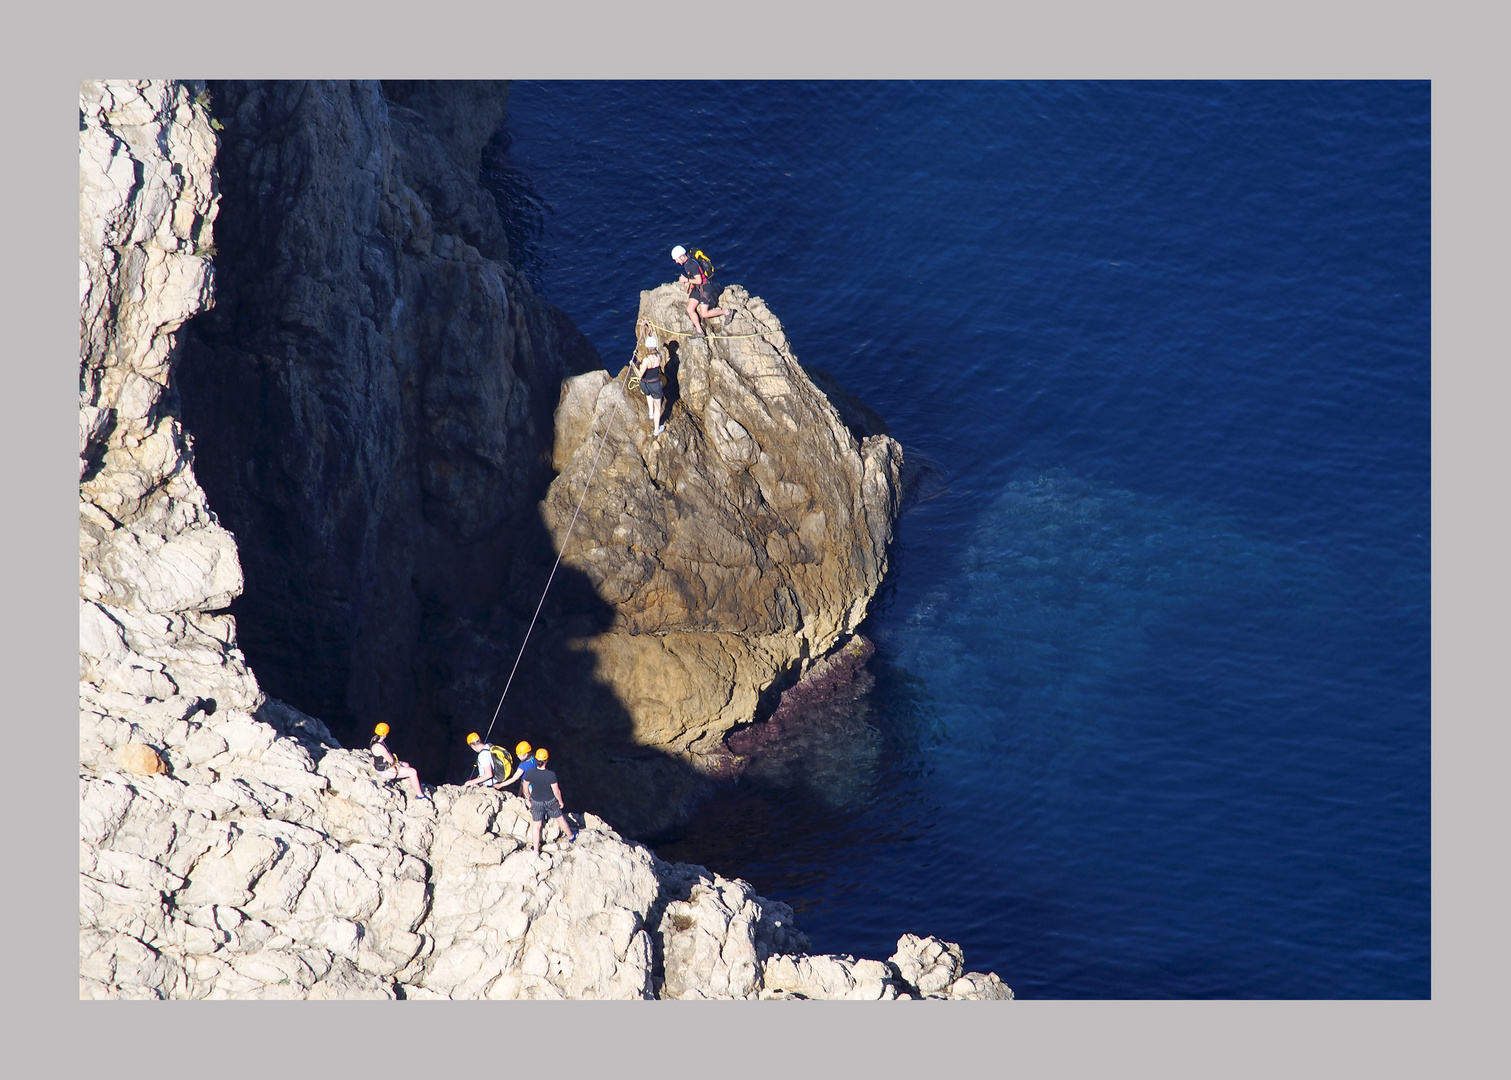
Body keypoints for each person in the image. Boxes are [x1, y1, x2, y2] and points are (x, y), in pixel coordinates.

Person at [671, 245, 736, 337]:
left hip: (705, 288)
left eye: (676, 259)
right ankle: (700, 331)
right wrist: (690, 284)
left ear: (682, 257)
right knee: (690, 309)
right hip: (697, 288)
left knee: (704, 314)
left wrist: (686, 280)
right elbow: (693, 277)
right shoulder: (686, 264)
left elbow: (699, 280)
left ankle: (727, 312)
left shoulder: (692, 265)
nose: (676, 261)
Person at [522, 747, 576, 853]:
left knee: (536, 826)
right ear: (546, 760)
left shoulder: (530, 773)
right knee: (560, 819)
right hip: (550, 801)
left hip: (536, 801)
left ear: (536, 760)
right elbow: (556, 792)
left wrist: (529, 797)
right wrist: (560, 801)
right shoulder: (551, 775)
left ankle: (536, 849)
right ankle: (571, 836)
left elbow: (525, 787)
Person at [370, 722, 429, 802]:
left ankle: (415, 783)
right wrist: (392, 760)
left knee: (406, 765)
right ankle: (420, 795)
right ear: (385, 733)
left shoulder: (375, 739)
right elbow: (391, 760)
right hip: (384, 771)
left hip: (383, 766)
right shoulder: (380, 747)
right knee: (413, 772)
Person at [630, 331, 669, 437]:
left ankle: (651, 413)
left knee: (648, 394)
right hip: (655, 384)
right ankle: (657, 429)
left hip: (645, 384)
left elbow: (639, 375)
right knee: (658, 407)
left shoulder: (646, 360)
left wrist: (633, 365)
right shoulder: (659, 356)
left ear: (647, 347)